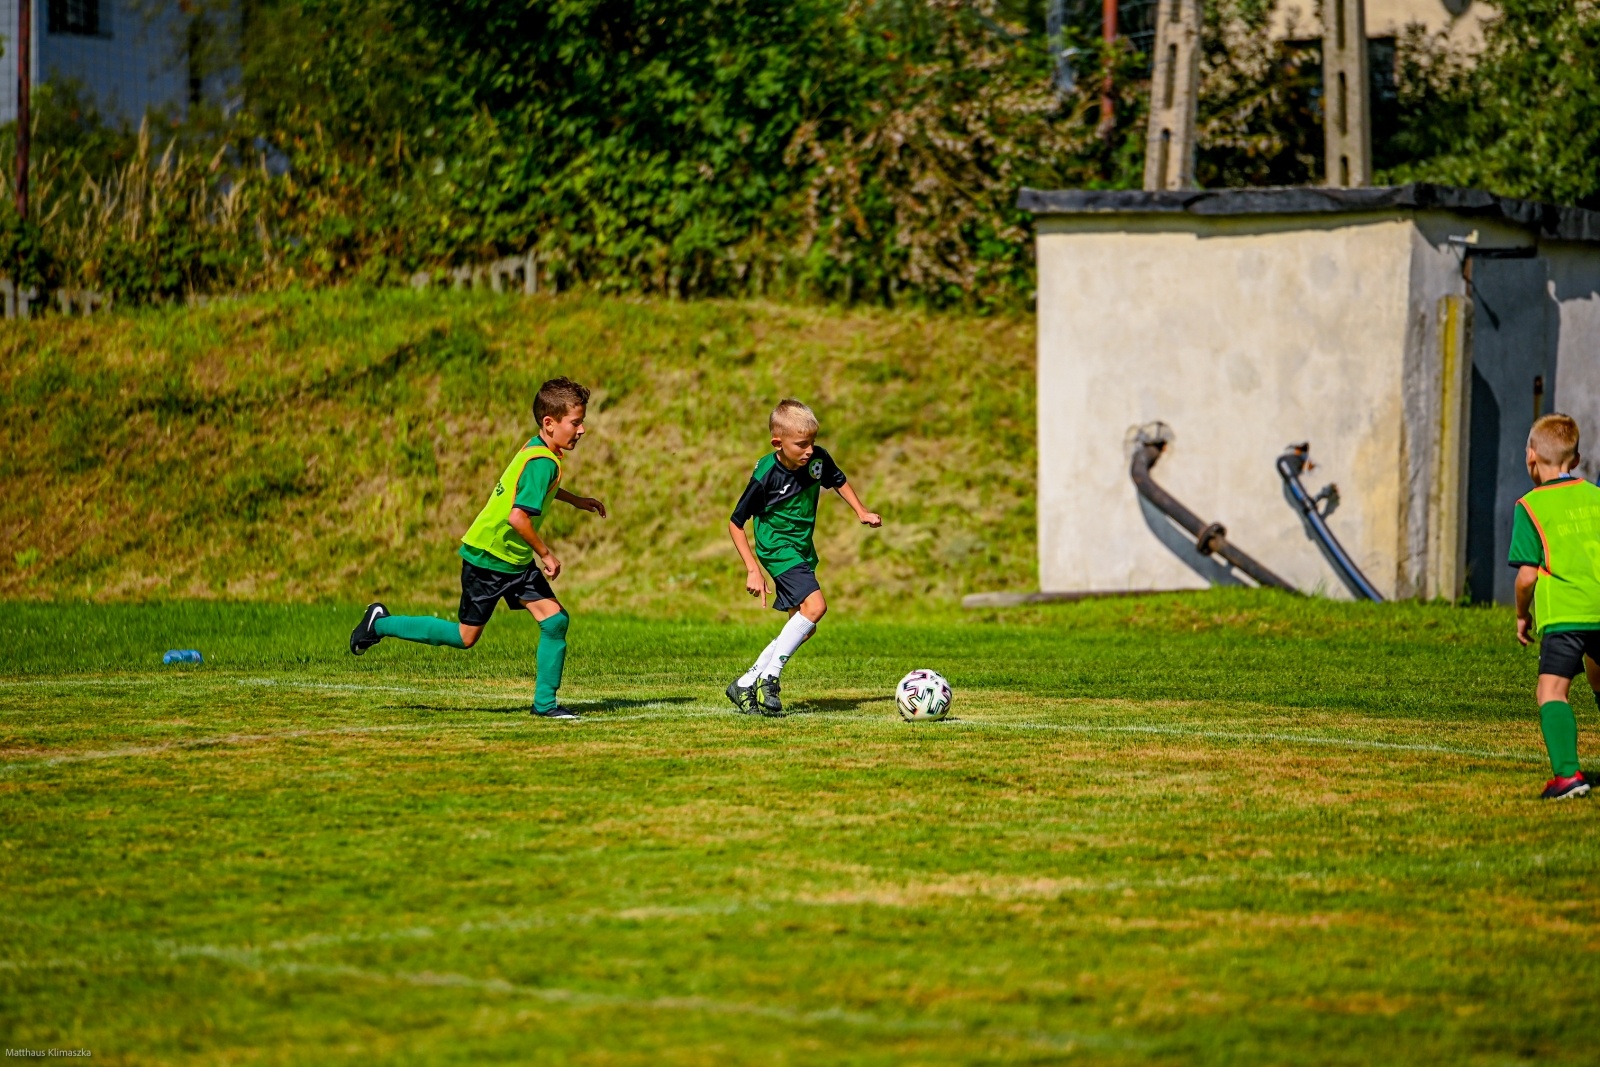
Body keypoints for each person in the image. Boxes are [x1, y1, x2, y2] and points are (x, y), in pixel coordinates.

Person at [348, 377, 607, 719]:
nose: (582, 429)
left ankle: (545, 706)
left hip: (512, 560)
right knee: (464, 637)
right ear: (549, 422)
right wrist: (546, 554)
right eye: (575, 422)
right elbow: (518, 517)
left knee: (555, 621)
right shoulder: (542, 461)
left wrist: (576, 500)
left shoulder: (540, 452)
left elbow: (537, 488)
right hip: (489, 557)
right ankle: (378, 624)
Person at [725, 399, 881, 716]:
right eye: (802, 444)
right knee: (816, 607)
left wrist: (861, 511)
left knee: (803, 628)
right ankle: (770, 678)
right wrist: (752, 569)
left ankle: (745, 682)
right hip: (777, 548)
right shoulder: (766, 475)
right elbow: (735, 522)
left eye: (812, 441)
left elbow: (838, 480)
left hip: (801, 547)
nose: (810, 450)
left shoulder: (817, 459)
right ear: (778, 443)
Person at [1510, 412, 1600, 799]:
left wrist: (1521, 614)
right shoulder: (1596, 496)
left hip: (1565, 614)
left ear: (1531, 455)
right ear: (1576, 460)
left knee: (1551, 691)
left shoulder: (1530, 506)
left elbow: (1527, 576)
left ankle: (1567, 776)